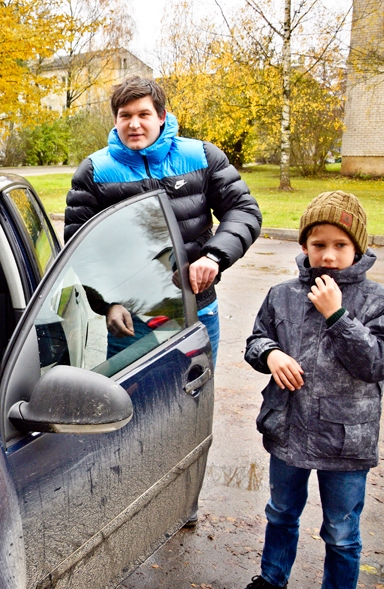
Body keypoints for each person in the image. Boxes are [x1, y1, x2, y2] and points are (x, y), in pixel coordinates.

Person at [64, 76, 262, 365]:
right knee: (130, 403)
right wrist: (107, 303)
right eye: (125, 116)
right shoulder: (93, 171)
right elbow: (81, 246)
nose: (134, 124)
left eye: (143, 114)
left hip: (197, 309)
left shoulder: (202, 156)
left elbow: (243, 210)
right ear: (115, 120)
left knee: (193, 394)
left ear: (161, 116)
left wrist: (214, 257)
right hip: (131, 317)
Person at [243, 191, 384, 589]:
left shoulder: (376, 300)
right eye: (319, 245)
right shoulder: (282, 295)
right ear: (304, 246)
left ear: (358, 248)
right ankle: (272, 579)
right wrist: (270, 355)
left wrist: (337, 315)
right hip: (289, 430)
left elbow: (375, 363)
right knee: (281, 513)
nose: (328, 256)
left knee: (341, 533)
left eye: (340, 245)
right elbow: (256, 340)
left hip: (346, 440)